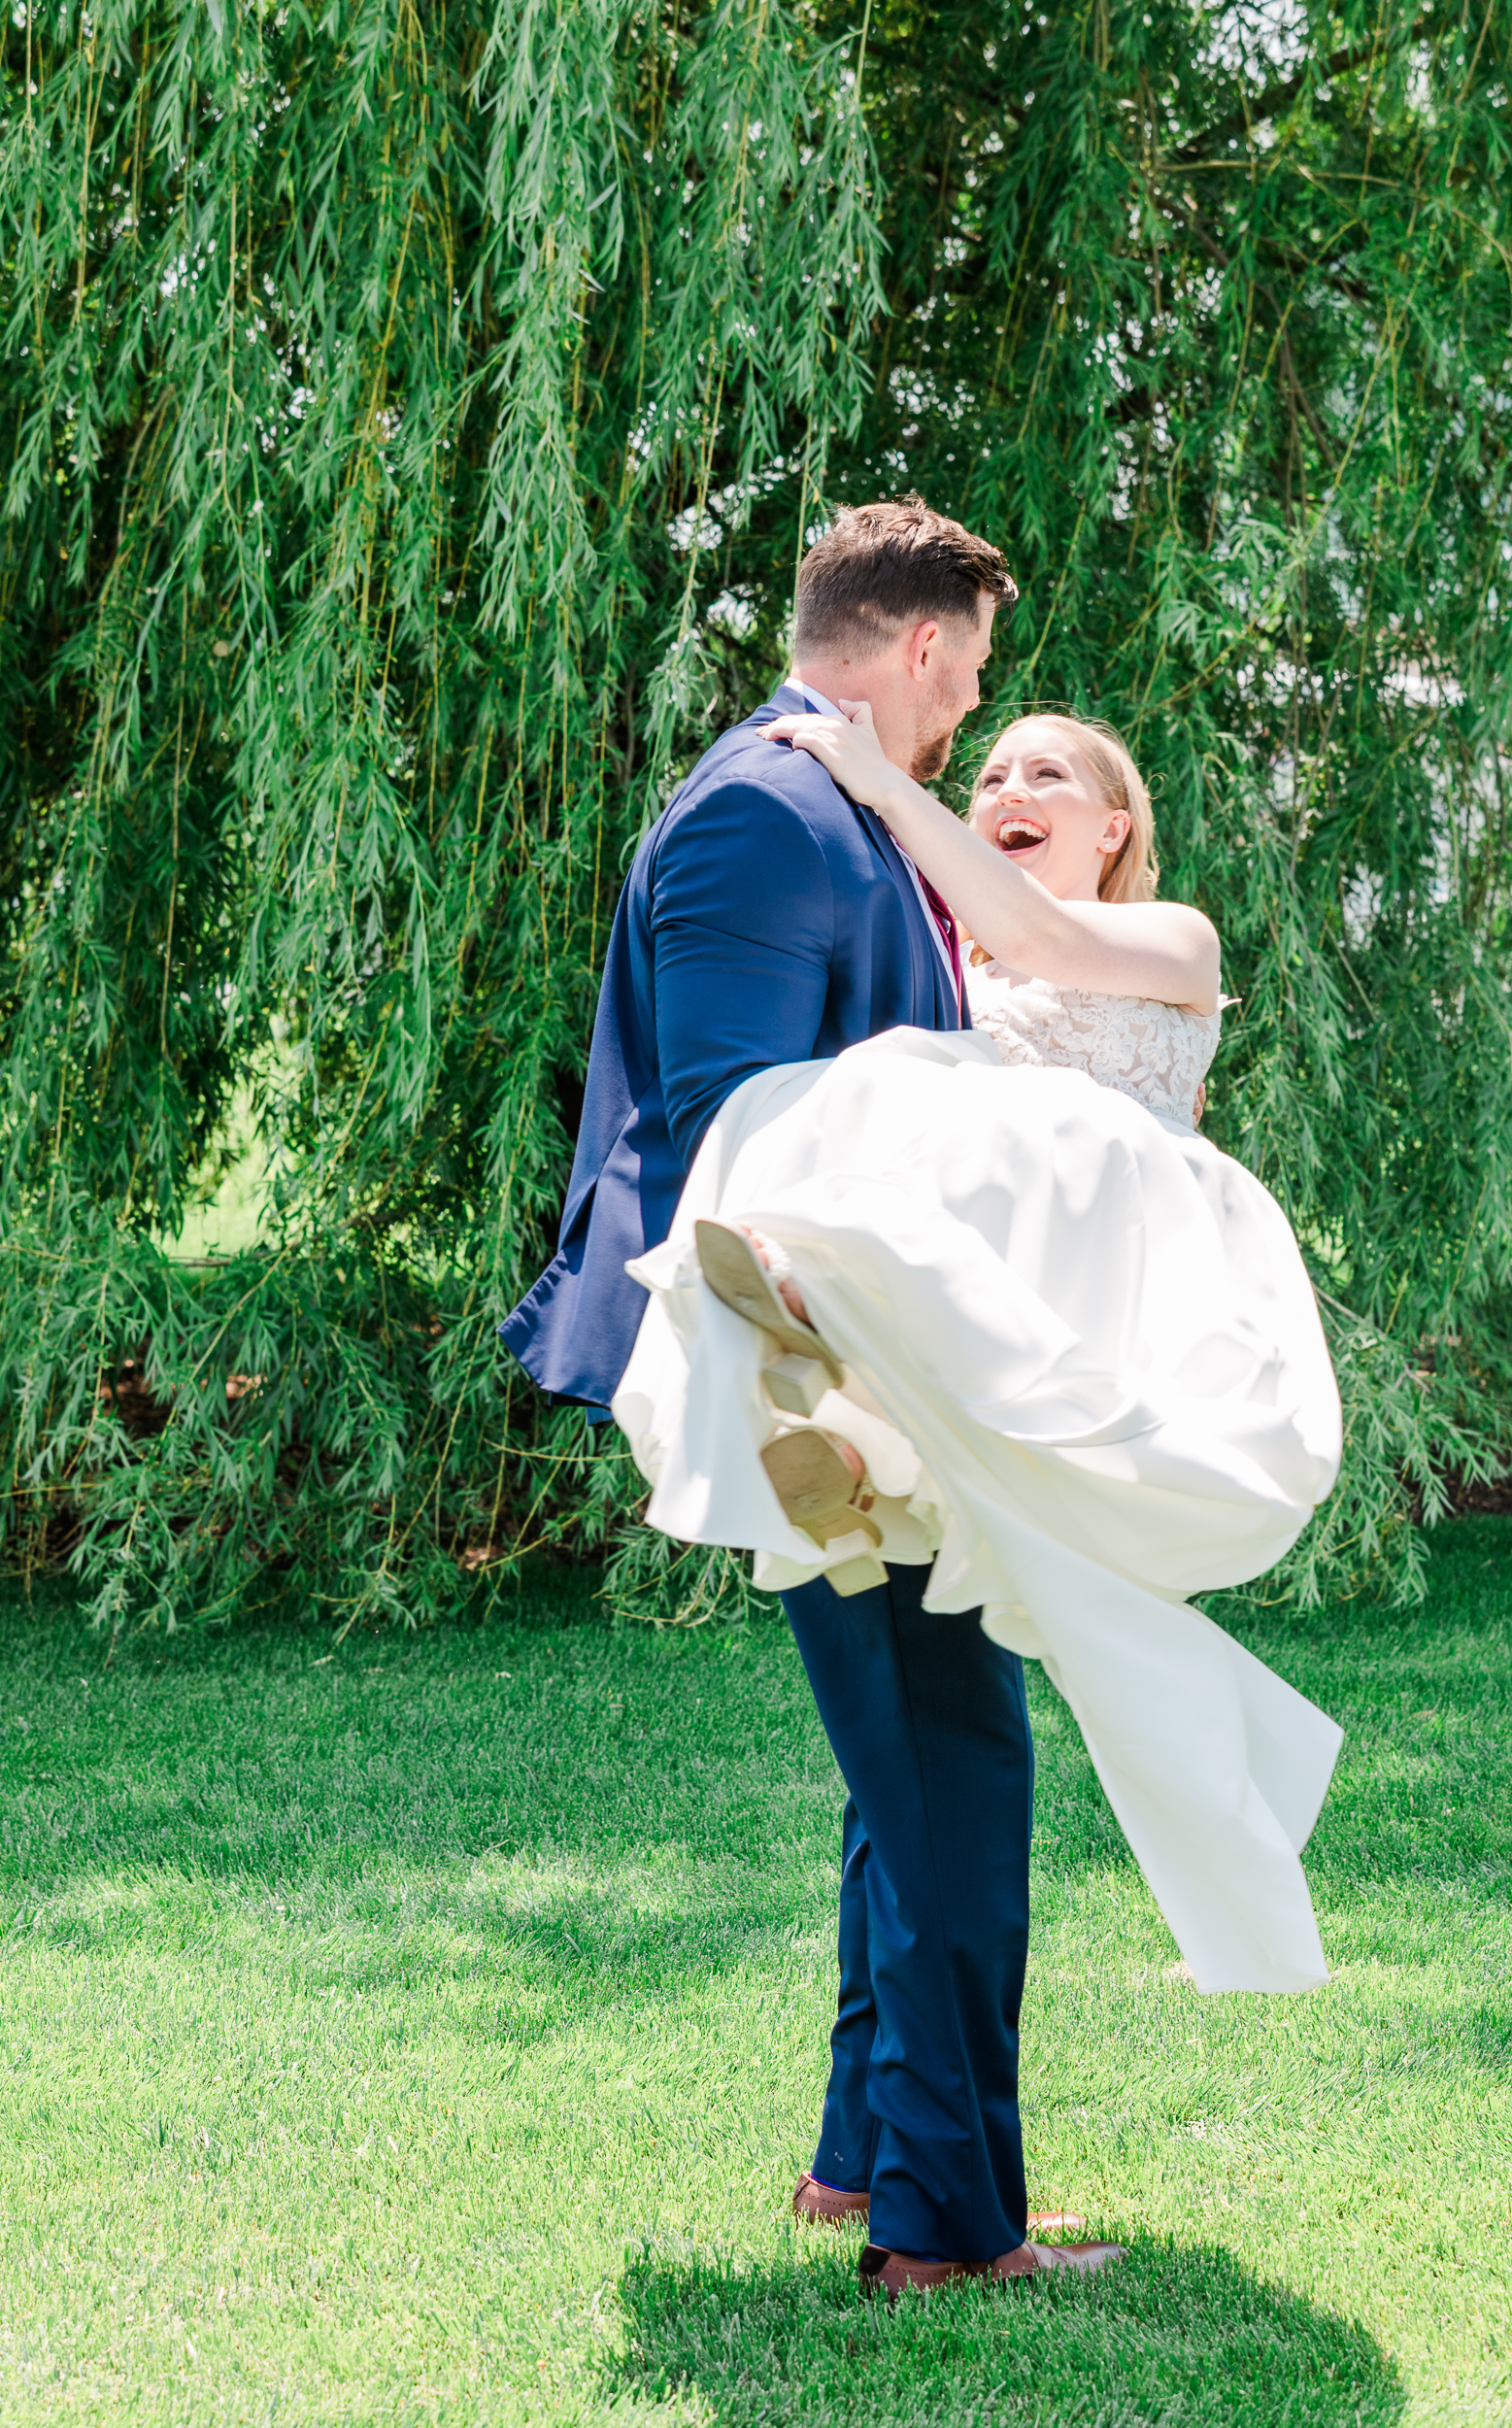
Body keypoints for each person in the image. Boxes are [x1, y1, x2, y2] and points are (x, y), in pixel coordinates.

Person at [613, 701, 1347, 2287]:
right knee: (918, 1781)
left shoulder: (1167, 935)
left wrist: (884, 780)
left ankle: (884, 2169)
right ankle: (882, 2178)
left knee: (932, 1765)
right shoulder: (957, 976)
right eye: (993, 766)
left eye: (1048, 774)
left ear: (1115, 825)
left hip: (1089, 1306)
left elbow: (1034, 934)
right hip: (968, 1315)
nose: (1008, 784)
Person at [499, 500, 1104, 2298]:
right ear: (917, 646)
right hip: (827, 1396)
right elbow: (729, 1129)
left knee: (907, 1777)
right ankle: (948, 2232)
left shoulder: (840, 807)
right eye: (968, 678)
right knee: (955, 1775)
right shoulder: (762, 812)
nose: (967, 712)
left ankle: (863, 2167)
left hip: (883, 1385)